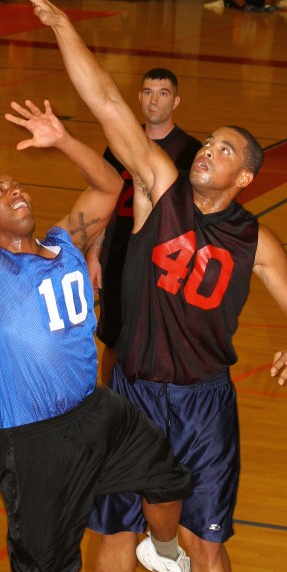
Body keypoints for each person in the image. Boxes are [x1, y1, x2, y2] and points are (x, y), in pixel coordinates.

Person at [0, 0, 287, 572]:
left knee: (208, 543)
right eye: (208, 144)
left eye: (224, 150)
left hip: (204, 402)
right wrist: (60, 22)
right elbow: (108, 106)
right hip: (132, 392)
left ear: (246, 177)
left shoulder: (255, 239)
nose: (208, 151)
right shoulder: (159, 188)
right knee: (112, 527)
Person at [0, 50, 195, 572]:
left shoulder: (65, 242)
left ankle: (165, 552)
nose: (13, 189)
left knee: (170, 479)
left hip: (98, 415)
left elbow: (108, 183)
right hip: (36, 444)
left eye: (15, 182)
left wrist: (63, 139)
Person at [87, 68, 201, 374]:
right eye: (148, 92)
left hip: (165, 260)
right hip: (119, 253)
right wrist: (94, 253)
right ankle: (111, 407)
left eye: (163, 94)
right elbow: (104, 201)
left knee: (161, 340)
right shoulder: (119, 144)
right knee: (113, 339)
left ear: (175, 102)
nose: (154, 101)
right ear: (139, 97)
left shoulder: (190, 151)